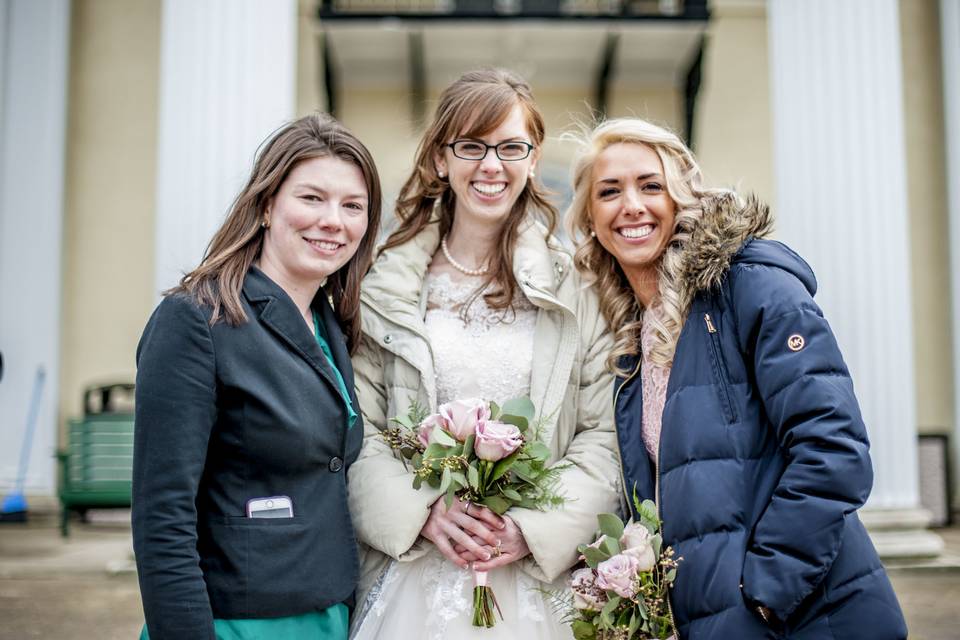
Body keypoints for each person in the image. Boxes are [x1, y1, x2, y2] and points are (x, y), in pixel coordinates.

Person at [565, 117, 908, 639]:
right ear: (591, 218)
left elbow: (833, 449)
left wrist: (768, 593)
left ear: (682, 197)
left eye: (650, 185)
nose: (631, 205)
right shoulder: (625, 341)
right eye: (609, 191)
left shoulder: (752, 288)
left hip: (805, 618)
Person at [346, 69, 620, 639]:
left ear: (532, 155)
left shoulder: (577, 285)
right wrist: (422, 515)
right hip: (419, 572)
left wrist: (531, 529)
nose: (491, 165)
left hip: (535, 574)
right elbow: (358, 429)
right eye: (471, 146)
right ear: (441, 159)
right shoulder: (385, 288)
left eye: (510, 147)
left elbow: (603, 434)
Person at [132, 113, 382, 640]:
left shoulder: (331, 326)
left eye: (352, 205)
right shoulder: (195, 319)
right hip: (236, 622)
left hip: (331, 614)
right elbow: (163, 518)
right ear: (267, 205)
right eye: (312, 198)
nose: (333, 220)